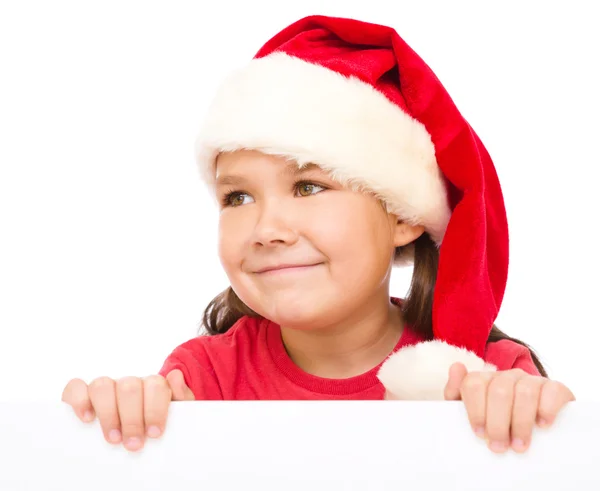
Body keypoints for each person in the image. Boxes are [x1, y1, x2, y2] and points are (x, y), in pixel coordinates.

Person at [61, 15, 575, 455]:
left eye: (309, 186)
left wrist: (538, 417)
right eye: (237, 197)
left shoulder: (486, 377)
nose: (266, 229)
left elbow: (567, 459)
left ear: (401, 214)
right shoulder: (203, 380)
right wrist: (123, 421)